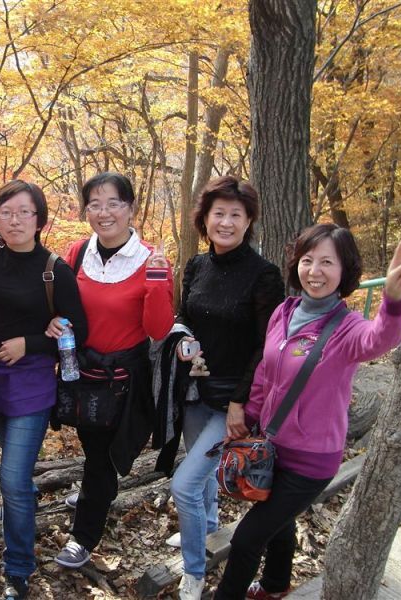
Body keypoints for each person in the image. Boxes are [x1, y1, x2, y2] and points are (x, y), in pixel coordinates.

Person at [213, 225, 401, 600]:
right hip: (271, 446)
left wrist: (393, 299)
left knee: (246, 539)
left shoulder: (348, 328)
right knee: (279, 522)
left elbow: (380, 339)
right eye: (308, 260)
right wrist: (247, 418)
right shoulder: (284, 312)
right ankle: (275, 585)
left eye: (327, 262)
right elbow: (265, 373)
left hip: (311, 459)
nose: (315, 271)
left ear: (345, 270)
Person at [0, 178, 88, 600]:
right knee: (17, 476)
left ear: (39, 219)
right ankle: (22, 512)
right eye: (6, 212)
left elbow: (80, 330)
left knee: (11, 477)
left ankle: (18, 568)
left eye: (25, 212)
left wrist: (31, 343)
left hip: (33, 380)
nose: (15, 221)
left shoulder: (55, 269)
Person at [50, 172, 175, 569]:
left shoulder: (151, 259)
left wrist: (157, 281)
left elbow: (158, 329)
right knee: (93, 448)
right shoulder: (76, 253)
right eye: (94, 205)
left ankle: (84, 535)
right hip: (84, 372)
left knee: (104, 457)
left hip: (124, 378)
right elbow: (60, 305)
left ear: (131, 207)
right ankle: (96, 489)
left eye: (113, 204)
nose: (104, 213)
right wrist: (53, 322)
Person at [170, 176, 285, 600]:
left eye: (236, 214)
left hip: (232, 401)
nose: (226, 222)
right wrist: (182, 339)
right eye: (219, 213)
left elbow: (267, 346)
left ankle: (194, 571)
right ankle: (207, 525)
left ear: (249, 221)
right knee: (198, 477)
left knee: (184, 484)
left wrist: (240, 402)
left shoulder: (264, 275)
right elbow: (184, 317)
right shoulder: (197, 266)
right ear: (205, 218)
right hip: (195, 391)